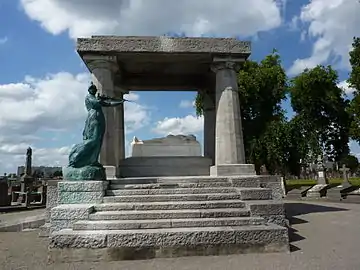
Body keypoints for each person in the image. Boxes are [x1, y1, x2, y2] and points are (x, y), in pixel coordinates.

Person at [68, 83, 124, 168]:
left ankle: (93, 160)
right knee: (93, 140)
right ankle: (75, 155)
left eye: (94, 89)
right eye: (92, 89)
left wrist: (119, 102)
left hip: (100, 118)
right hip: (93, 118)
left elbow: (107, 104)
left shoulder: (94, 97)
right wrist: (102, 99)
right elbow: (96, 103)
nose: (93, 90)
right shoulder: (89, 97)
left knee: (98, 141)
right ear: (89, 90)